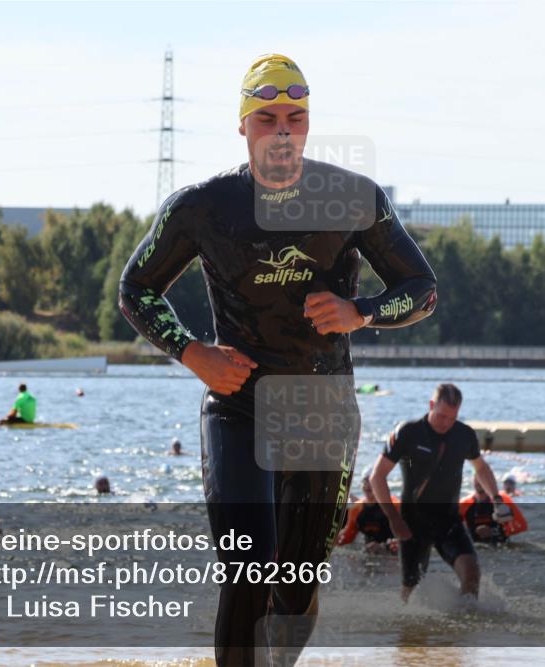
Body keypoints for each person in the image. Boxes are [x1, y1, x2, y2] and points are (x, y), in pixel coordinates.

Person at [119, 54, 437, 667]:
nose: (282, 130)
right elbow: (136, 288)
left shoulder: (352, 197)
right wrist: (192, 353)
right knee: (246, 568)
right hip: (238, 406)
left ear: (309, 125)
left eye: (295, 117)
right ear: (243, 127)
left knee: (294, 588)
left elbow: (423, 289)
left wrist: (361, 312)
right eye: (267, 118)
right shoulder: (204, 207)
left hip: (323, 412)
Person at [370, 383, 510, 603]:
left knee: (472, 574)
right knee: (410, 590)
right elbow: (377, 477)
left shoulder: (464, 435)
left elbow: (480, 467)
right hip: (412, 522)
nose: (446, 423)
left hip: (448, 519)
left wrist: (496, 498)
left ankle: (464, 627)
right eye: (442, 416)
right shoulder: (408, 432)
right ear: (431, 405)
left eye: (452, 418)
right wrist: (393, 519)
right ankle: (411, 635)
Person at [337, 468, 400, 555]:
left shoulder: (395, 505)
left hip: (391, 553)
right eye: (365, 481)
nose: (368, 485)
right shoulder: (356, 509)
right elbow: (347, 537)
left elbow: (409, 535)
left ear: (382, 485)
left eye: (371, 481)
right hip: (369, 553)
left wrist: (385, 546)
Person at [459, 475, 527, 544]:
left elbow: (522, 526)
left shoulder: (503, 500)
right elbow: (452, 528)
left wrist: (493, 532)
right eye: (477, 482)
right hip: (475, 548)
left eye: (483, 482)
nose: (480, 484)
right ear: (473, 483)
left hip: (500, 546)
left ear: (490, 483)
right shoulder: (464, 503)